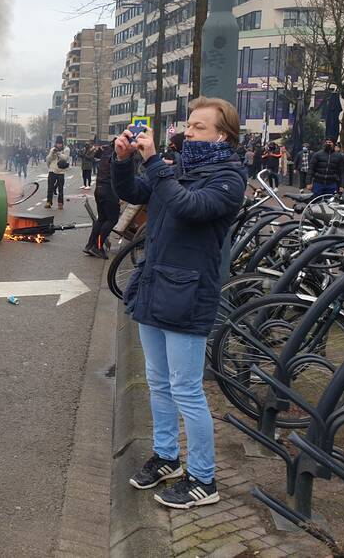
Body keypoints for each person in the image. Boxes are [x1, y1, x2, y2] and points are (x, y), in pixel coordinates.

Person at [114, 97, 246, 510]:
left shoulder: (228, 178)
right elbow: (134, 191)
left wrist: (153, 161)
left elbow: (189, 208)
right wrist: (122, 161)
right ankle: (167, 457)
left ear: (222, 134)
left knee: (187, 389)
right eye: (188, 125)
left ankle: (204, 479)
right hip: (155, 286)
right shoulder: (178, 169)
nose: (188, 132)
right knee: (157, 382)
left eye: (199, 127)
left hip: (189, 294)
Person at [83, 141, 118, 258]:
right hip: (109, 190)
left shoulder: (107, 151)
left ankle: (89, 245)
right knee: (112, 219)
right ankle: (97, 247)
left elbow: (96, 155)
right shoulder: (117, 155)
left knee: (102, 219)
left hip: (99, 188)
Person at [45, 137, 70, 209]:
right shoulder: (52, 149)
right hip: (52, 170)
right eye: (57, 143)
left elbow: (65, 158)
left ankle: (60, 203)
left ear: (62, 143)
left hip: (61, 171)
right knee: (50, 188)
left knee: (60, 188)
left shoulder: (66, 149)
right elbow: (48, 159)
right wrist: (52, 154)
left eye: (60, 144)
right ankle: (49, 202)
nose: (59, 145)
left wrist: (59, 153)